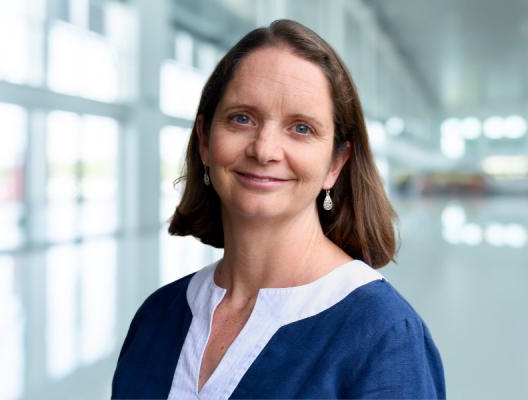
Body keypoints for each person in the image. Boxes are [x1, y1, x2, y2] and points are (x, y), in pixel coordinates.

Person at [112, 19, 445, 399]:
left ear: (336, 163)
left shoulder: (383, 336)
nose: (264, 150)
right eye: (242, 118)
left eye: (301, 128)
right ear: (205, 140)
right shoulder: (157, 316)